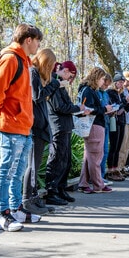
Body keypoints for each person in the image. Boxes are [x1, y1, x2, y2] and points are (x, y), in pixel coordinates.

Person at [0, 23, 43, 232]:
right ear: (28, 39)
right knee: (7, 170)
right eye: (38, 40)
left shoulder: (25, 61)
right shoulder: (11, 59)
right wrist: (10, 112)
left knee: (18, 171)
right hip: (11, 126)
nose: (38, 45)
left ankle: (15, 208)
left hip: (24, 127)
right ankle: (0, 213)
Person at [23, 48, 72, 210]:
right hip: (35, 125)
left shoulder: (41, 76)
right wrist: (56, 83)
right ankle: (27, 199)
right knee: (32, 165)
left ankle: (34, 196)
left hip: (42, 126)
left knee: (36, 165)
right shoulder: (33, 72)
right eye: (50, 65)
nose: (52, 69)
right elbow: (37, 96)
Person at [45, 61, 90, 202]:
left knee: (66, 160)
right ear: (65, 71)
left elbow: (67, 105)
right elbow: (59, 107)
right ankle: (52, 191)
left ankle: (61, 188)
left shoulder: (61, 85)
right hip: (57, 126)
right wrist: (78, 109)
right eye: (70, 77)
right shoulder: (53, 83)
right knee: (56, 159)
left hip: (66, 126)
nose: (70, 81)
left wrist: (78, 109)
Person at [77, 67, 114, 194]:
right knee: (96, 156)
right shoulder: (88, 90)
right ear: (97, 77)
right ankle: (98, 184)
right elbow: (89, 108)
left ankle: (83, 183)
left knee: (89, 156)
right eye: (102, 79)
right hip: (94, 125)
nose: (103, 82)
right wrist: (105, 109)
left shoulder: (91, 90)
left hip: (97, 124)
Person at [106, 73, 129, 181]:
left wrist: (127, 102)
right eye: (119, 82)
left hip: (122, 121)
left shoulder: (121, 93)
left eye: (122, 82)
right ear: (115, 82)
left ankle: (116, 169)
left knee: (119, 146)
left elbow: (127, 108)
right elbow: (115, 106)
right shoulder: (110, 92)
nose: (121, 84)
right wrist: (124, 102)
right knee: (114, 146)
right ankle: (110, 170)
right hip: (114, 121)